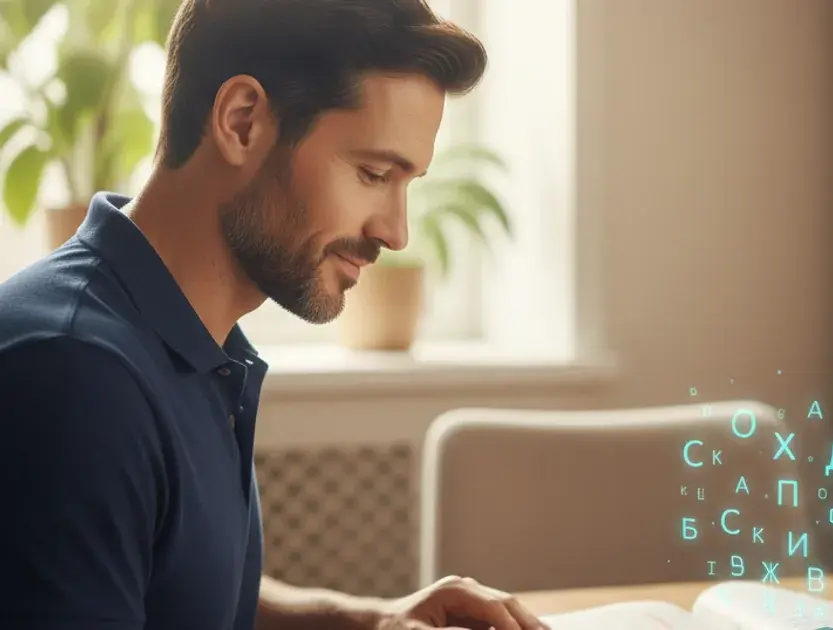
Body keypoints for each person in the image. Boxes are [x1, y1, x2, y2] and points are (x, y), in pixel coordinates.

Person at [0, 0, 548, 629]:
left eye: (408, 183)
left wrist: (368, 620)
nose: (396, 232)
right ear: (242, 122)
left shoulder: (183, 339)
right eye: (373, 173)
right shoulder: (73, 378)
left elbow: (168, 583)